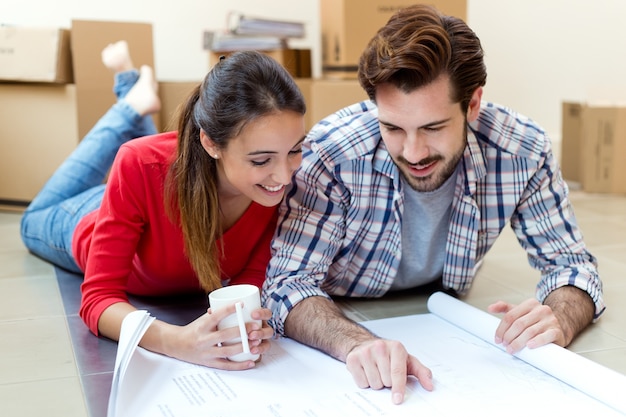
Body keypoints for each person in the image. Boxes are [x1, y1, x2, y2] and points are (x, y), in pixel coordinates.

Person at [263, 4, 604, 404]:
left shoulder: (523, 150)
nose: (413, 151)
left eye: (433, 127)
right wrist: (354, 342)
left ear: (473, 104)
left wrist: (559, 316)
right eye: (392, 127)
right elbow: (287, 284)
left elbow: (573, 266)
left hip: (442, 311)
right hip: (343, 306)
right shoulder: (332, 155)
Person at [20, 41, 306, 370]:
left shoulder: (275, 184)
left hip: (162, 185)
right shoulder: (139, 165)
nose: (284, 175)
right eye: (261, 160)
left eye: (295, 150)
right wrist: (176, 341)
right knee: (32, 220)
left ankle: (136, 94)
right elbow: (98, 299)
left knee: (156, 158)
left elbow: (252, 280)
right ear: (211, 143)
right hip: (85, 219)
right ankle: (130, 104)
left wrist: (250, 324)